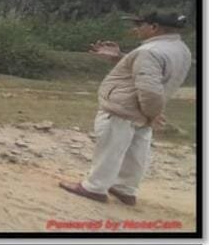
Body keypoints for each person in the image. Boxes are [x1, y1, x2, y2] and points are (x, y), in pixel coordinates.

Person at [59, 11, 192, 205]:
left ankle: (94, 187)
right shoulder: (180, 49)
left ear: (154, 27)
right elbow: (152, 72)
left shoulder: (149, 51)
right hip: (143, 112)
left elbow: (150, 89)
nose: (135, 29)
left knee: (110, 148)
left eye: (140, 24)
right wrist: (120, 57)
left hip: (124, 109)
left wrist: (153, 113)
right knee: (136, 152)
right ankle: (125, 189)